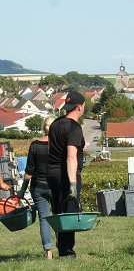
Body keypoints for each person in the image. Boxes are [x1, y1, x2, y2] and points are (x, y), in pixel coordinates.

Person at [47, 92, 85, 259]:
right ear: (79, 107)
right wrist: (73, 185)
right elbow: (71, 157)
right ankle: (67, 252)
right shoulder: (74, 127)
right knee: (68, 212)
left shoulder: (55, 124)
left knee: (58, 211)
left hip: (52, 174)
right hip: (66, 175)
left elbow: (51, 149)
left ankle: (62, 248)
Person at [17, 116, 56, 259]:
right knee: (57, 217)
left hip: (38, 187)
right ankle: (62, 249)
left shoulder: (34, 145)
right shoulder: (59, 145)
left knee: (44, 219)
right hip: (55, 186)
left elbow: (28, 173)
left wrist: (22, 190)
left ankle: (48, 252)